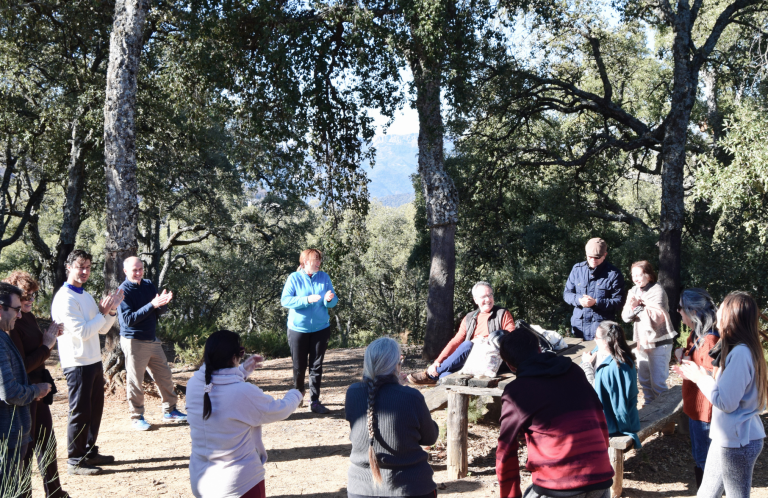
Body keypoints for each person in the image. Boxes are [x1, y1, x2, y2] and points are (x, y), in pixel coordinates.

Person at [496, 328, 614, 498]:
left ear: (510, 366)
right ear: (539, 349)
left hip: (557, 485)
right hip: (600, 478)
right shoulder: (574, 371)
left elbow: (505, 450)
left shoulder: (515, 392)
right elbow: (599, 416)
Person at [187, 330, 302, 498]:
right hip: (239, 484)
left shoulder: (193, 384)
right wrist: (296, 394)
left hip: (201, 481)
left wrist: (242, 370)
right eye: (241, 353)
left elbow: (219, 382)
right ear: (234, 357)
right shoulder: (242, 392)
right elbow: (280, 409)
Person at [678, 291, 767, 498]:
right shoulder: (738, 349)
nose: (717, 312)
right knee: (706, 493)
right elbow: (728, 389)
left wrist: (700, 378)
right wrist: (702, 375)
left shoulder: (741, 353)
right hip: (727, 436)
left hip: (738, 440)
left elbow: (726, 402)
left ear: (731, 316)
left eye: (722, 307)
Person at [51, 249, 124, 475]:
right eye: (80, 267)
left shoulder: (85, 295)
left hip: (93, 361)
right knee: (80, 411)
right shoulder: (65, 298)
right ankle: (75, 460)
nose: (84, 272)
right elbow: (83, 332)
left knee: (94, 411)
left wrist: (111, 310)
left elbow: (101, 329)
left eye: (88, 267)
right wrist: (102, 313)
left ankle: (89, 452)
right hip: (76, 363)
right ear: (68, 267)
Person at [345, 337, 439, 498]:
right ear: (396, 364)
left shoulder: (353, 393)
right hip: (410, 487)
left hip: (360, 489)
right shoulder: (411, 396)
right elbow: (430, 438)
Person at [4, 271, 69, 498]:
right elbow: (21, 366)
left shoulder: (28, 316)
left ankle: (55, 492)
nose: (30, 300)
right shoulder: (12, 325)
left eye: (33, 295)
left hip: (40, 390)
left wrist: (49, 336)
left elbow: (37, 348)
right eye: (25, 297)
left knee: (47, 443)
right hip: (26, 393)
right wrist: (47, 346)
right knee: (26, 449)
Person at [118, 256, 186, 431]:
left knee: (165, 375)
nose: (138, 273)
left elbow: (156, 311)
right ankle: (137, 417)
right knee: (135, 381)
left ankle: (170, 411)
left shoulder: (148, 285)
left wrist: (162, 303)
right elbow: (128, 320)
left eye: (140, 269)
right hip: (134, 341)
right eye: (134, 270)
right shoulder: (122, 291)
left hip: (152, 339)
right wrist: (152, 304)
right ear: (125, 271)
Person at [408, 281, 515, 385]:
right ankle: (437, 378)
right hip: (471, 361)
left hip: (493, 361)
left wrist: (484, 342)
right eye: (483, 297)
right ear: (476, 300)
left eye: (490, 295)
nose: (488, 299)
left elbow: (512, 337)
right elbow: (455, 341)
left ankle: (429, 376)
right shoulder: (469, 318)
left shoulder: (502, 314)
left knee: (468, 344)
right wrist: (437, 361)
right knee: (445, 375)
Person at [0, 282, 51, 492]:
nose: (19, 315)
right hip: (6, 436)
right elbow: (10, 392)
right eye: (16, 309)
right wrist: (36, 391)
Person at [280, 248, 338, 414]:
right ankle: (298, 395)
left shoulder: (324, 277)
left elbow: (333, 301)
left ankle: (314, 401)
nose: (319, 262)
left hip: (321, 328)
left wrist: (329, 299)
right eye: (316, 259)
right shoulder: (294, 278)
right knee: (299, 366)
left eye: (319, 259)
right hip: (298, 329)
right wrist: (306, 300)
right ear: (305, 262)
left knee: (316, 366)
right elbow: (285, 300)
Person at [673, 288, 719, 489]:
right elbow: (692, 355)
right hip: (695, 408)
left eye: (680, 307)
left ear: (692, 311)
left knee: (705, 459)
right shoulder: (696, 333)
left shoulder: (709, 340)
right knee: (700, 456)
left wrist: (692, 370)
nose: (678, 311)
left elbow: (713, 376)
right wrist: (682, 353)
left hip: (704, 412)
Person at [621, 260, 676, 405]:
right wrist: (636, 308)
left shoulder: (657, 291)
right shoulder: (633, 291)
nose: (635, 278)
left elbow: (656, 317)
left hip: (660, 342)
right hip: (642, 342)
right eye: (633, 275)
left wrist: (636, 308)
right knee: (644, 382)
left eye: (639, 275)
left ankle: (665, 416)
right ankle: (649, 412)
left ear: (649, 275)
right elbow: (625, 317)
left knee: (658, 384)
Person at [580, 320, 641, 449]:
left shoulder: (608, 368)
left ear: (605, 341)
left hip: (613, 425)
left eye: (596, 337)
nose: (594, 340)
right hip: (631, 418)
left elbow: (593, 393)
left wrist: (586, 365)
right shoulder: (626, 358)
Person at [563, 237, 624, 341]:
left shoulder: (614, 274)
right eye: (590, 257)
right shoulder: (577, 269)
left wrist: (596, 302)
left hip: (602, 330)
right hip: (579, 328)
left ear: (605, 255)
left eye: (597, 257)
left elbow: (619, 302)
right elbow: (567, 294)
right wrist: (579, 300)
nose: (593, 260)